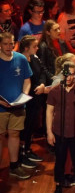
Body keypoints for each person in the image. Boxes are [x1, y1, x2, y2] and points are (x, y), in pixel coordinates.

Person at [46, 60, 75, 193]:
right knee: (59, 161)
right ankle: (58, 188)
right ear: (62, 74)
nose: (69, 77)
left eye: (71, 74)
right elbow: (49, 111)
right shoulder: (55, 91)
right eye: (66, 74)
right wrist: (49, 132)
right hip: (59, 132)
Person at [0, 32, 33, 180]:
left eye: (11, 44)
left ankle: (14, 166)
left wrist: (24, 96)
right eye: (5, 44)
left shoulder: (21, 59)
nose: (9, 47)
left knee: (15, 134)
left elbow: (27, 80)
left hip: (18, 106)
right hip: (0, 107)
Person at [18, 35, 51, 166]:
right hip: (27, 99)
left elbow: (42, 72)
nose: (37, 48)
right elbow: (23, 81)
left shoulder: (34, 58)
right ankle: (21, 155)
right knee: (24, 128)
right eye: (35, 46)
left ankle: (27, 150)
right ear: (26, 48)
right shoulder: (20, 61)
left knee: (31, 126)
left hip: (37, 98)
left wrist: (42, 84)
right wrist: (38, 88)